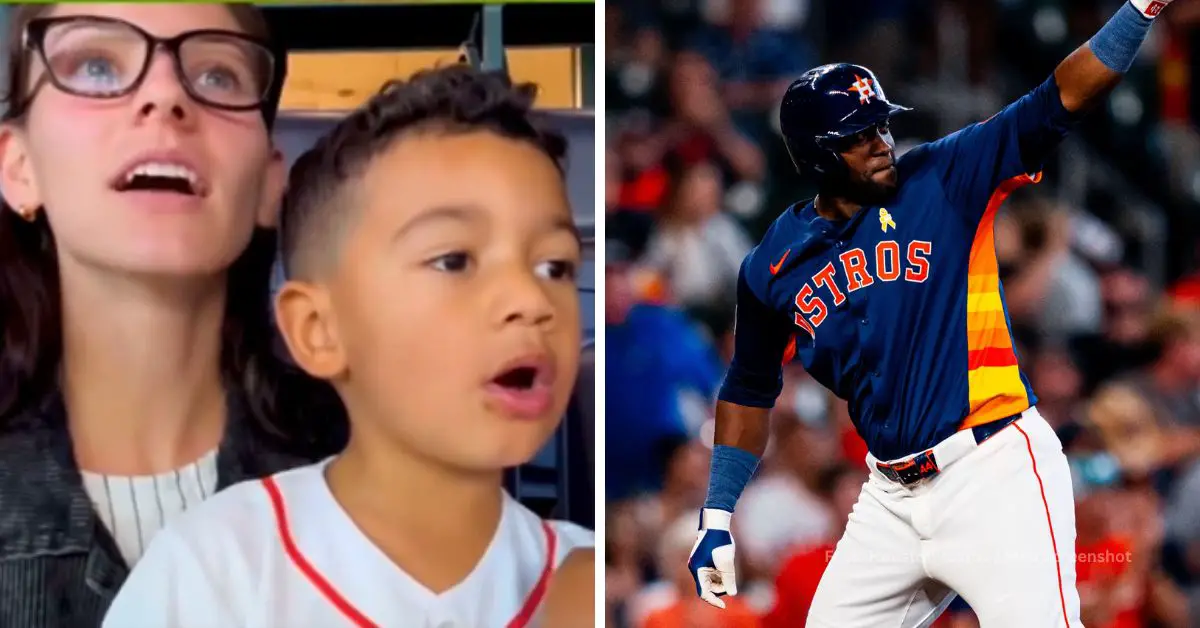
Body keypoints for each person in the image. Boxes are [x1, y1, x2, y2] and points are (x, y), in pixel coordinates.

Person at [686, 1, 1179, 625]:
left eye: (882, 126)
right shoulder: (771, 266)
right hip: (889, 498)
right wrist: (718, 514)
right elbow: (749, 389)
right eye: (859, 137)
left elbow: (1060, 97)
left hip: (993, 468)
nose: (881, 143)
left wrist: (1139, 9)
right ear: (814, 156)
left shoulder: (945, 176)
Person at [103, 66, 595, 628]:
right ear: (318, 329)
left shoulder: (585, 581)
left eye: (554, 265)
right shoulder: (215, 569)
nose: (531, 299)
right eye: (454, 260)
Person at [0, 3, 342, 626]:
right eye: (97, 66)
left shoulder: (363, 460)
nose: (164, 96)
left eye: (216, 76)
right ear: (17, 168)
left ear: (270, 183)